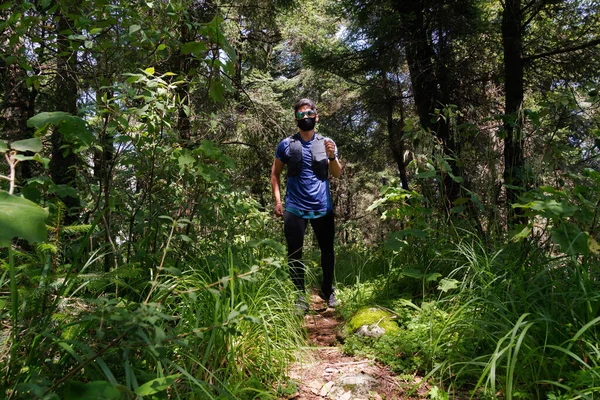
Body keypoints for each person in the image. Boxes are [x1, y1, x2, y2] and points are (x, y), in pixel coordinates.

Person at [270, 98, 342, 312]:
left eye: (309, 113)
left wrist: (331, 156)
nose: (306, 118)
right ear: (296, 119)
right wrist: (277, 201)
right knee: (295, 253)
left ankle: (327, 290)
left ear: (316, 117)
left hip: (322, 207)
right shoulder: (286, 145)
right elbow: (275, 174)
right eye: (301, 115)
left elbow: (337, 173)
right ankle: (299, 296)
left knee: (328, 251)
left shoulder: (326, 143)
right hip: (294, 208)